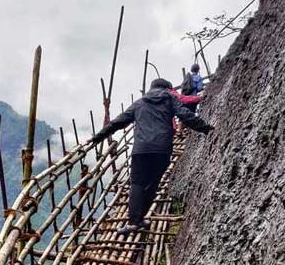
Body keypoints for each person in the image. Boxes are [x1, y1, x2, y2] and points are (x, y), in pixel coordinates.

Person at [90, 78, 213, 235]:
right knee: (153, 184)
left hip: (141, 150)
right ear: (167, 89)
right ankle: (140, 219)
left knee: (137, 184)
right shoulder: (170, 98)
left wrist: (97, 138)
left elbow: (117, 122)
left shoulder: (139, 103)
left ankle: (134, 222)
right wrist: (206, 128)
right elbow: (185, 115)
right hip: (162, 149)